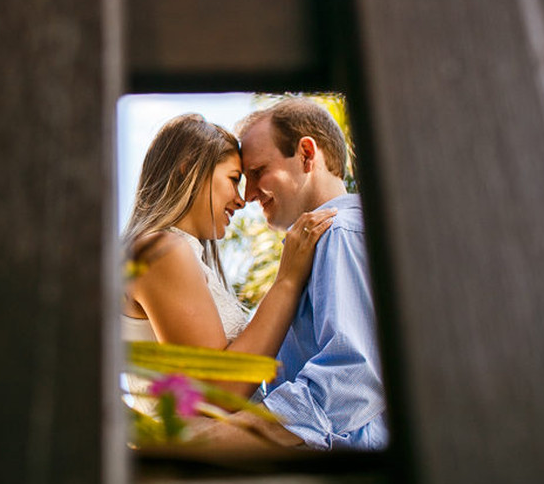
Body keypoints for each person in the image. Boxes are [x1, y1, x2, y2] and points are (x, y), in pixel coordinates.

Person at [121, 113, 336, 402]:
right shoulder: (162, 249)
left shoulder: (176, 253)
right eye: (234, 180)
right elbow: (218, 392)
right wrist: (287, 280)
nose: (241, 198)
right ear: (188, 170)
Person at [229, 97, 388, 451]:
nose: (249, 195)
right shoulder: (313, 248)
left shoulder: (340, 233)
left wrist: (227, 436)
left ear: (305, 154)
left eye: (257, 172)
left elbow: (354, 376)